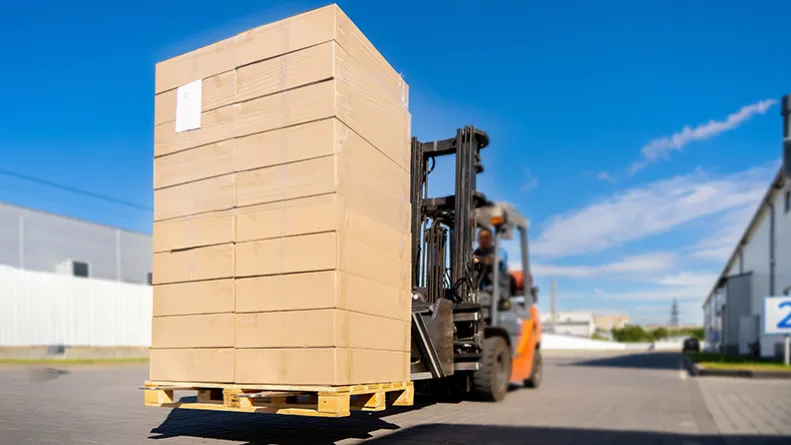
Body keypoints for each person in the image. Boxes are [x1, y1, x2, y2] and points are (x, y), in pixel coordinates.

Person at [473, 227, 510, 292]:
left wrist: (481, 261)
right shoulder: (475, 253)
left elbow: (496, 259)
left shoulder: (500, 251)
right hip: (479, 292)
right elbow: (470, 261)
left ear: (492, 239)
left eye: (487, 237)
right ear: (477, 240)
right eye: (482, 237)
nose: (484, 240)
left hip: (498, 292)